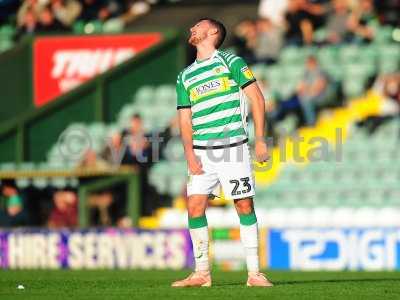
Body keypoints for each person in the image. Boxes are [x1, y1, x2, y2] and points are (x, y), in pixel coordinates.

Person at [173, 18, 272, 287]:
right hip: (202, 152)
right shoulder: (185, 75)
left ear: (213, 31)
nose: (192, 27)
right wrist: (190, 155)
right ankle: (202, 273)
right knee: (194, 207)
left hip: (233, 149)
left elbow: (257, 98)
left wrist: (260, 139)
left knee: (244, 205)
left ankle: (254, 273)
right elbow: (185, 119)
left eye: (198, 25)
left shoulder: (231, 62)